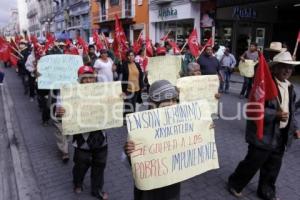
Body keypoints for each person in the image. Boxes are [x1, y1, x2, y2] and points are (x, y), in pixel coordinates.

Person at [228, 51, 300, 200]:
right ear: (274, 68)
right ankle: (235, 184)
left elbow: (292, 110)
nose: (287, 71)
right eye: (284, 67)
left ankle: (266, 191)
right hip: (263, 135)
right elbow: (253, 109)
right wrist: (275, 114)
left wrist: (295, 128)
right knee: (252, 163)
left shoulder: (290, 87)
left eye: (290, 68)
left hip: (281, 136)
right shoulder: (264, 84)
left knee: (273, 167)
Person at [56, 66, 108, 200]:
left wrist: (118, 98)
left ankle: (97, 190)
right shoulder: (69, 94)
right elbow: (59, 111)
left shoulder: (102, 91)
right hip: (81, 139)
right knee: (80, 165)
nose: (89, 80)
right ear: (79, 79)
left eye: (91, 77)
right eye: (85, 78)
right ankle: (77, 182)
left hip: (100, 137)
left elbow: (112, 106)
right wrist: (60, 112)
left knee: (99, 165)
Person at [125, 80, 181, 200]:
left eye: (174, 100)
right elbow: (134, 165)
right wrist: (129, 153)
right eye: (166, 100)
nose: (171, 104)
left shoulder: (181, 123)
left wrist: (204, 131)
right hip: (149, 191)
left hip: (173, 187)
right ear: (153, 103)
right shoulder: (140, 126)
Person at [122, 50, 144, 114]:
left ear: (134, 56)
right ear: (126, 57)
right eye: (128, 55)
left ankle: (132, 120)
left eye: (132, 55)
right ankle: (127, 119)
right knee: (128, 105)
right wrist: (123, 90)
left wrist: (141, 86)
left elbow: (140, 75)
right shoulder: (124, 65)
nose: (130, 57)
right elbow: (123, 78)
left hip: (136, 89)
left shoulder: (137, 64)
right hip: (127, 89)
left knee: (133, 105)